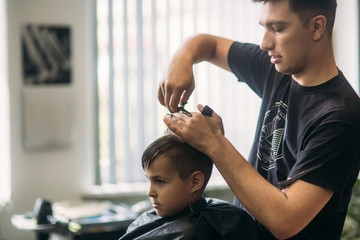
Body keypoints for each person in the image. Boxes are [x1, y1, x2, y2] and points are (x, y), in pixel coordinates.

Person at [158, 0, 360, 239]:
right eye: (264, 27)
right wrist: (181, 60)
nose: (265, 43)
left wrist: (214, 144)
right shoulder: (275, 70)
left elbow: (285, 220)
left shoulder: (340, 117)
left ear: (317, 27)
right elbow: (206, 44)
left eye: (277, 28)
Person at [119, 133, 260, 240]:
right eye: (148, 181)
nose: (150, 192)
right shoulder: (145, 220)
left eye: (160, 181)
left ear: (195, 182)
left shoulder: (220, 226)